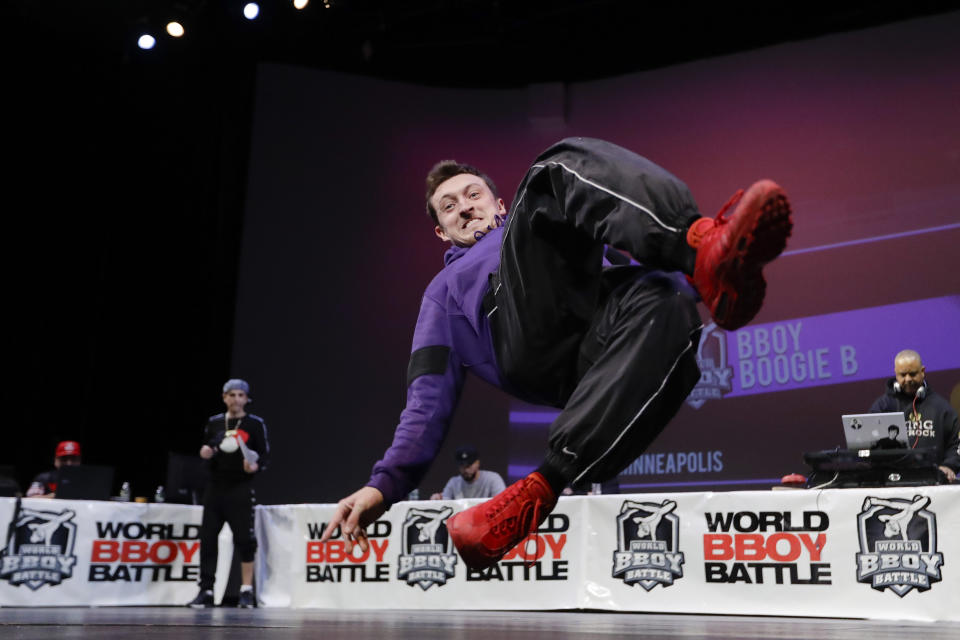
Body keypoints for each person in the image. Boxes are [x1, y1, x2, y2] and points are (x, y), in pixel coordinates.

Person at [321, 137, 793, 570]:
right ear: (442, 233)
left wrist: (676, 277)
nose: (464, 209)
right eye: (448, 208)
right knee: (554, 169)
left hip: (595, 351)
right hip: (523, 331)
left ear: (499, 204)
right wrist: (383, 484)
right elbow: (426, 401)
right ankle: (701, 250)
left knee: (666, 301)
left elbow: (624, 259)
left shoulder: (540, 236)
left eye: (472, 195)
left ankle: (543, 486)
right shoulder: (442, 293)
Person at [187, 379, 270, 608]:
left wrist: (254, 466)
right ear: (224, 397)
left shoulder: (253, 424)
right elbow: (207, 447)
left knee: (244, 539)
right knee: (208, 539)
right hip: (215, 487)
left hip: (240, 487)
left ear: (246, 399)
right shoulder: (215, 423)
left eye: (240, 395)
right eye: (231, 395)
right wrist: (205, 452)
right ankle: (206, 589)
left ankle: (246, 589)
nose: (236, 399)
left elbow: (263, 455)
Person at [869, 349, 960, 483]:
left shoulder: (942, 408)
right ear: (896, 374)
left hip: (933, 483)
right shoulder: (883, 406)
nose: (908, 379)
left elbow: (956, 445)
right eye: (902, 375)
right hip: (890, 481)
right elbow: (868, 444)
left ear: (922, 371)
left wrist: (949, 466)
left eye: (912, 374)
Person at [431, 446, 506, 500]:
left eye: (469, 465)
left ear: (477, 463)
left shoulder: (493, 479)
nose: (466, 470)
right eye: (462, 466)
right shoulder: (454, 483)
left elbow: (502, 501)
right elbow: (445, 501)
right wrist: (437, 500)